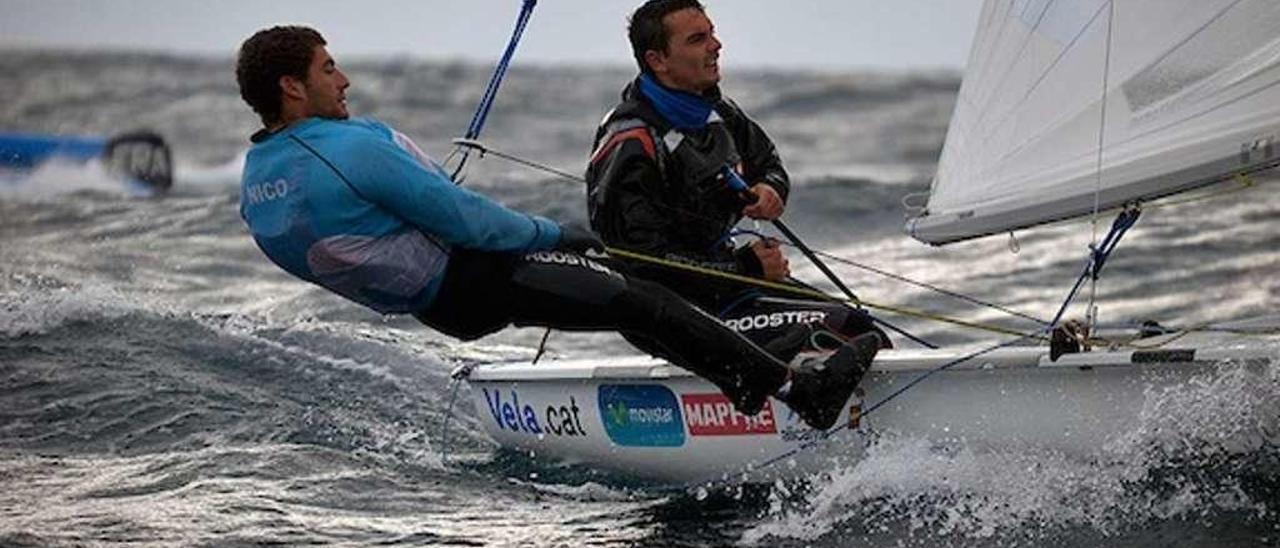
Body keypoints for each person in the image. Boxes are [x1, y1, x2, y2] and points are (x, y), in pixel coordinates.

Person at [234, 25, 879, 430]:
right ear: (292, 86)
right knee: (639, 298)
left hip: (438, 305)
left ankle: (743, 384)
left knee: (631, 302)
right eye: (327, 69)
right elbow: (462, 218)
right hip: (479, 273)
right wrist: (550, 234)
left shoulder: (259, 183)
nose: (342, 79)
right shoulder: (345, 152)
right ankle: (797, 391)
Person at [586, 0, 889, 362]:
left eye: (712, 34)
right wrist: (747, 269)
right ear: (657, 60)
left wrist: (771, 189)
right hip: (665, 315)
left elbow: (767, 162)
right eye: (698, 39)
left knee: (861, 328)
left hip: (725, 292)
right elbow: (642, 261)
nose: (716, 45)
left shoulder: (719, 112)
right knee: (832, 334)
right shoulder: (631, 143)